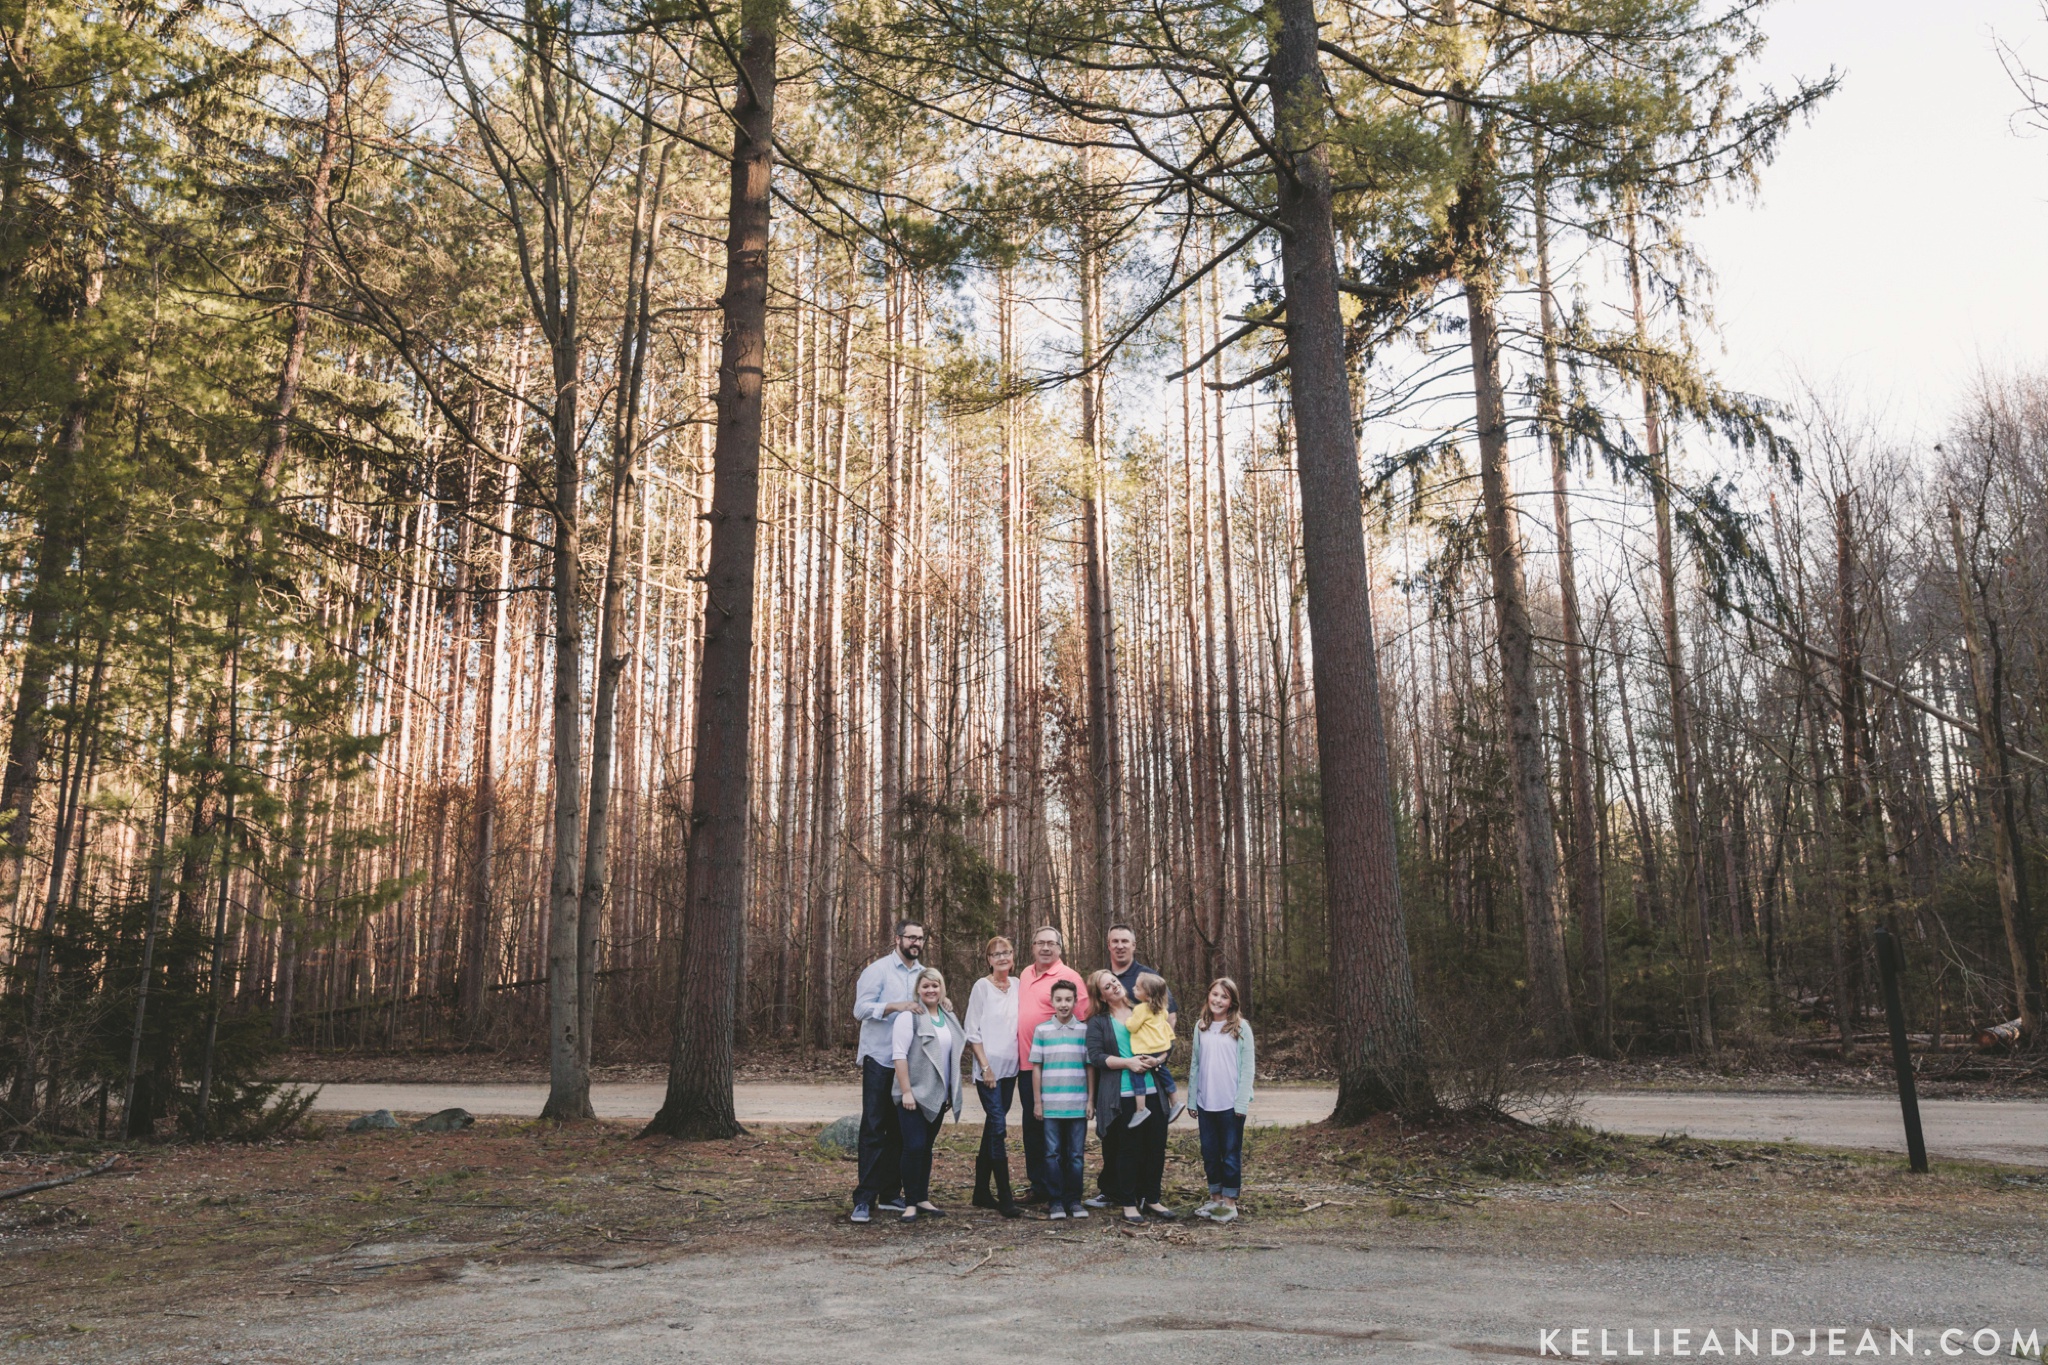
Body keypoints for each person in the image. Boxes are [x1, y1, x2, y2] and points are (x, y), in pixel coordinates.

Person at [849, 920, 927, 1224]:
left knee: (900, 1130)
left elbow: (929, 1005)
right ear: (898, 939)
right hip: (880, 1059)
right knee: (873, 1128)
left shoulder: (924, 974)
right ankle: (864, 1199)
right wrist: (895, 1006)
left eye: (920, 938)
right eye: (911, 937)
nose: (916, 943)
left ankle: (891, 1193)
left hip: (908, 1063)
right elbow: (860, 1009)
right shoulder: (878, 970)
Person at [1084, 970, 1175, 1225]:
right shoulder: (1098, 1022)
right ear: (1100, 996)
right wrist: (1129, 1063)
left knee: (1155, 1145)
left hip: (1152, 1090)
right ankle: (1128, 1202)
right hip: (1121, 1093)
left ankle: (1152, 1198)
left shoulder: (1144, 1007)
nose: (1113, 986)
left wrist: (1159, 1059)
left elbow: (1167, 1040)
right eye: (1106, 986)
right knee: (1128, 1149)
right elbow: (1096, 1057)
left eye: (1113, 981)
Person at [1012, 925, 1090, 1204]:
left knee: (1063, 1132)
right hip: (1027, 1065)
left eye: (1051, 943)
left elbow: (1081, 1019)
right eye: (1040, 943)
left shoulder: (1070, 977)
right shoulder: (1024, 974)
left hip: (1059, 1067)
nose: (1045, 948)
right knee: (1033, 1128)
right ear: (1032, 946)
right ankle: (1040, 1187)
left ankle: (1066, 1191)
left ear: (1059, 948)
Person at [892, 968, 962, 1223]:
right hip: (913, 1095)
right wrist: (906, 1091)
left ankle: (922, 1197)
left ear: (942, 988)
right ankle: (909, 1202)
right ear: (917, 990)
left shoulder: (948, 1016)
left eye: (935, 985)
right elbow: (899, 1055)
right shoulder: (909, 1018)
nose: (931, 990)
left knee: (927, 1149)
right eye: (925, 986)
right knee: (914, 1147)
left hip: (938, 1095)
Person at [1186, 976, 1255, 1222]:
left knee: (1231, 1153)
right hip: (1206, 1104)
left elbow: (1248, 1068)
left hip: (1230, 1105)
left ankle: (1230, 1203)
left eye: (1224, 996)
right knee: (1210, 1153)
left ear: (1231, 1002)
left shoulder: (1240, 1027)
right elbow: (1196, 1064)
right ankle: (1215, 1200)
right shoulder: (1200, 1027)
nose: (1218, 999)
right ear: (1209, 995)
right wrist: (1192, 1099)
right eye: (1215, 994)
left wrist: (1242, 1102)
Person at [963, 936, 1022, 1218]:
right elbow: (972, 1031)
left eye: (1006, 952)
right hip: (989, 1072)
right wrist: (985, 1067)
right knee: (998, 1127)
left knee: (992, 1127)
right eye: (996, 954)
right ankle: (1006, 1197)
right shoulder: (981, 987)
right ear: (988, 960)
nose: (1002, 958)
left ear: (1012, 956)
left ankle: (980, 1192)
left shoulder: (1020, 985)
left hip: (1012, 1070)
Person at [1026, 979, 1090, 1219]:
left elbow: (1090, 1067)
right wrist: (1038, 1102)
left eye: (1068, 1000)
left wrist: (1090, 1100)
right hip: (1051, 1105)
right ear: (1051, 1002)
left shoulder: (1084, 1031)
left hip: (1077, 1104)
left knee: (1075, 1155)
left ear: (1075, 1002)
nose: (1064, 1005)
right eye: (1059, 1000)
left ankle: (1074, 1201)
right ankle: (1055, 1202)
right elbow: (1037, 1068)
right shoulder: (1042, 1030)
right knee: (1052, 1153)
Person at [1104, 924, 1181, 1119]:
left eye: (1125, 941)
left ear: (1134, 945)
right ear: (1109, 945)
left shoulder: (1148, 978)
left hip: (1149, 1068)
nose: (1120, 946)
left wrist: (1159, 1056)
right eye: (1115, 941)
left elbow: (1170, 1017)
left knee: (1150, 1139)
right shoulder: (1104, 980)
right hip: (1115, 1076)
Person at [1121, 972, 1176, 1128]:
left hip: (1145, 1049)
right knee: (1163, 1071)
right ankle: (1175, 1101)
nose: (1133, 989)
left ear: (1147, 994)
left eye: (1137, 988)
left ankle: (1141, 1108)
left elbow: (1132, 1026)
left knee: (1137, 1074)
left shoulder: (1141, 1009)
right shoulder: (1162, 1010)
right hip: (1160, 1049)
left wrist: (1128, 1020)